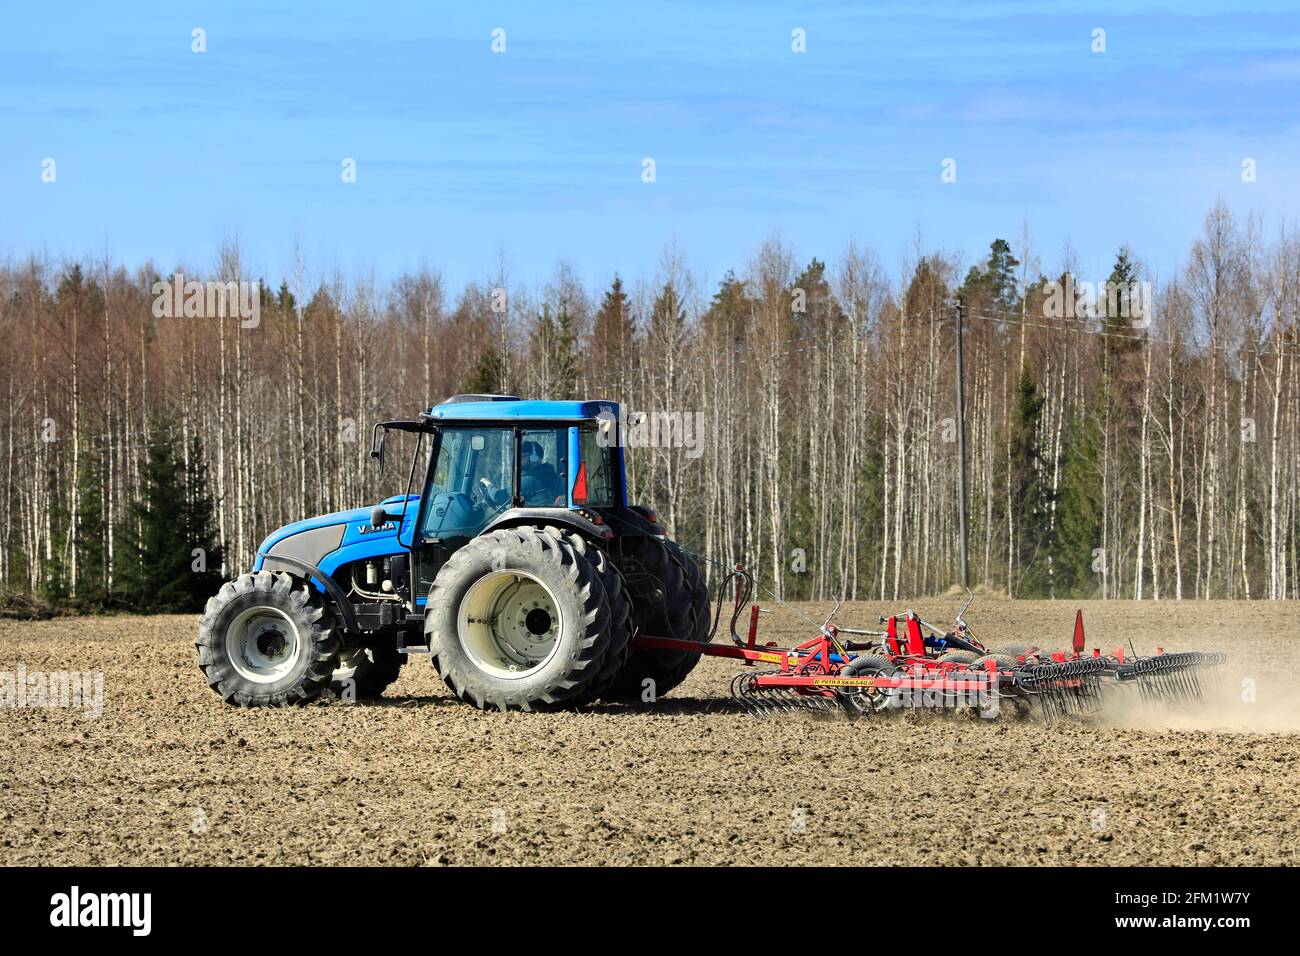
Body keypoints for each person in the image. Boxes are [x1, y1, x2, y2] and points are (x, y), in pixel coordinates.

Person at [519, 440, 565, 505]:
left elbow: (502, 496)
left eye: (522, 456)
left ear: (534, 457)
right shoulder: (550, 475)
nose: (519, 460)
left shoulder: (530, 480)